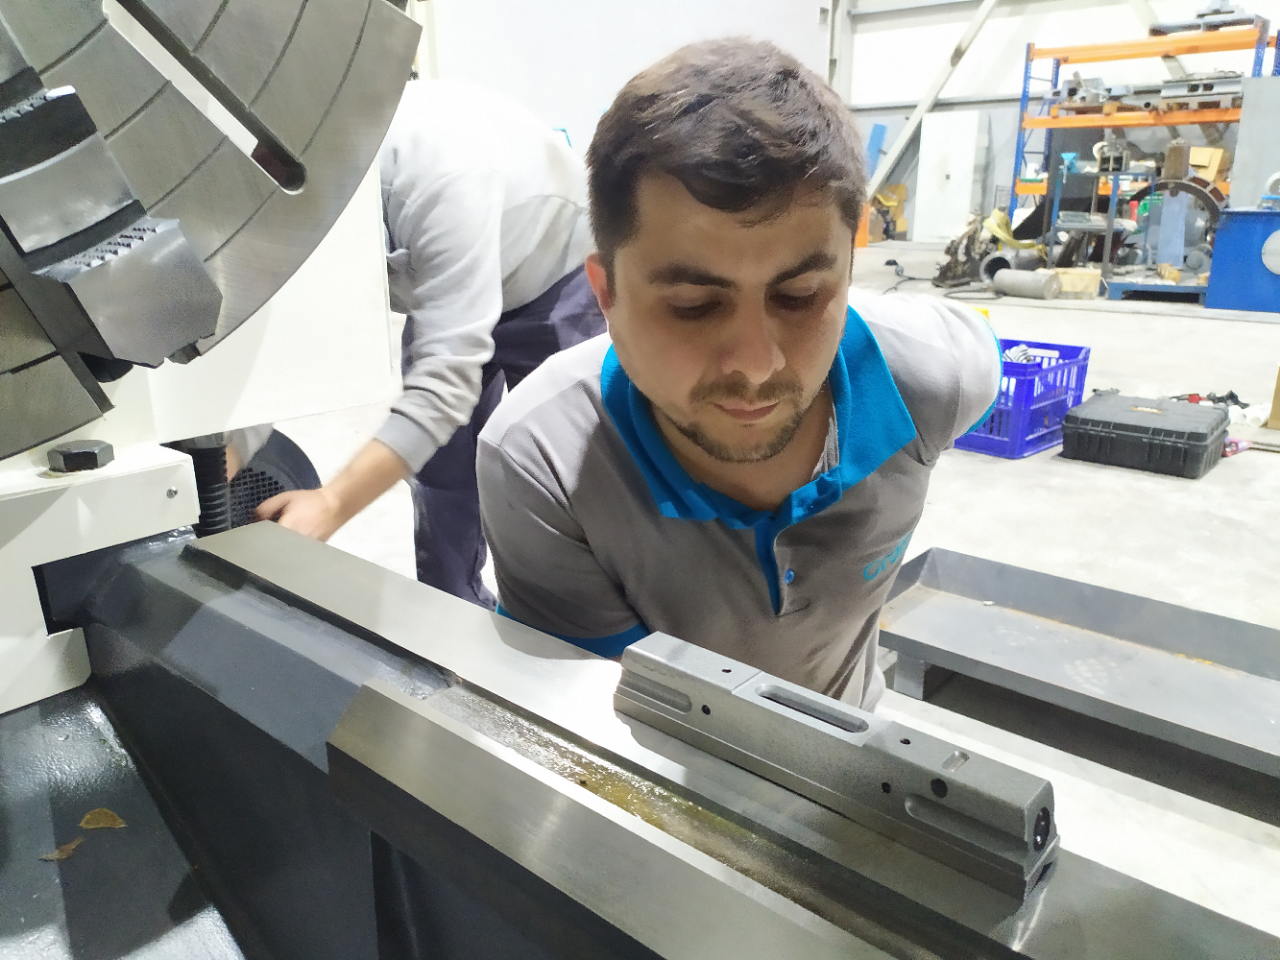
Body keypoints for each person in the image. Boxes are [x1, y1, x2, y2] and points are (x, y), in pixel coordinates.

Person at [475, 39, 1000, 709]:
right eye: (694, 306)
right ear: (605, 294)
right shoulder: (544, 462)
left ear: (848, 273)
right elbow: (616, 717)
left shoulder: (931, 378)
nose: (756, 365)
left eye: (800, 296)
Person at [258, 79, 605, 608]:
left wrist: (333, 503)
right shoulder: (302, 177)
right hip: (447, 274)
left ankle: (576, 627)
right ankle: (450, 611)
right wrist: (237, 444)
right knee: (441, 468)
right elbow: (278, 320)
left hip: (553, 275)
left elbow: (444, 389)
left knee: (569, 469)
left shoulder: (443, 182)